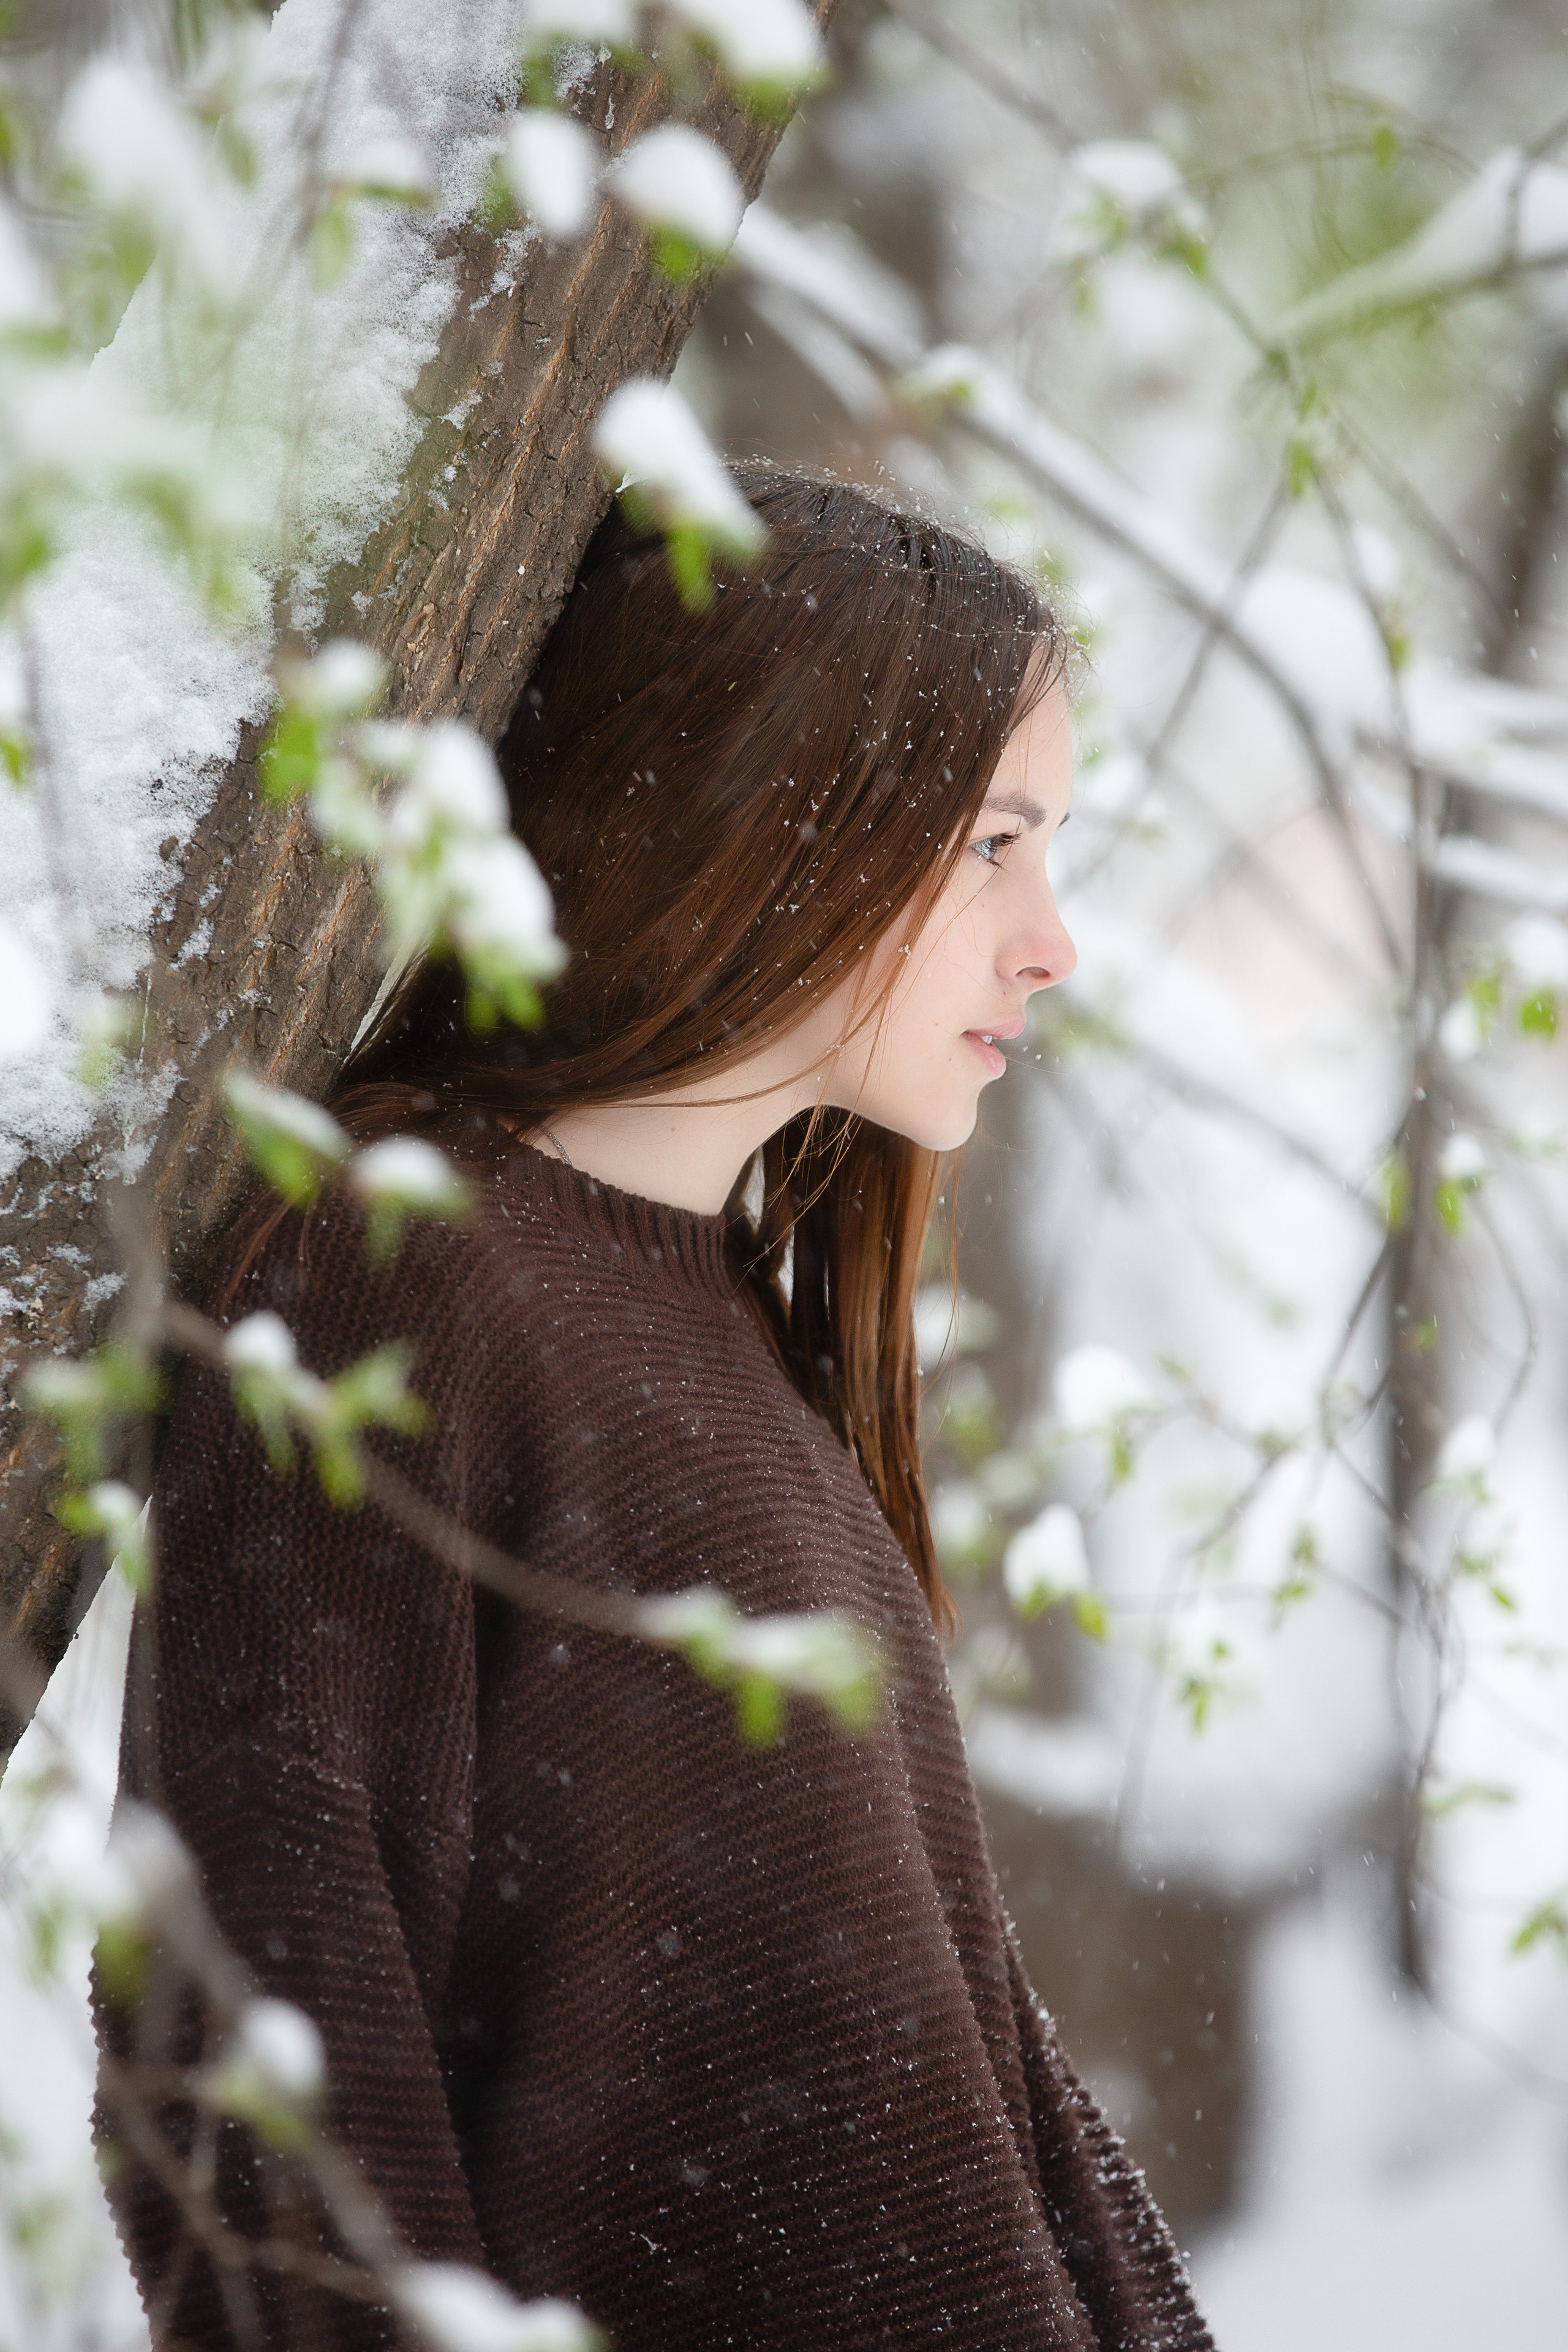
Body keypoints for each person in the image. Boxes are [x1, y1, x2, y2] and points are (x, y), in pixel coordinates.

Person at [98, 469, 1215, 2350]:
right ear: (780, 807)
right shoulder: (405, 1275)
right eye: (998, 843)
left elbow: (962, 2101)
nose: (1054, 942)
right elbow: (259, 2071)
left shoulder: (715, 1322)